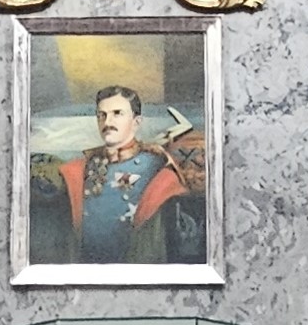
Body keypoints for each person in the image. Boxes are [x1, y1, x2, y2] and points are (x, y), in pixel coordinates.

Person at [32, 85, 205, 267]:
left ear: (136, 122)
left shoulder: (158, 166)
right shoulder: (80, 168)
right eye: (102, 115)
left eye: (117, 113)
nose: (107, 122)